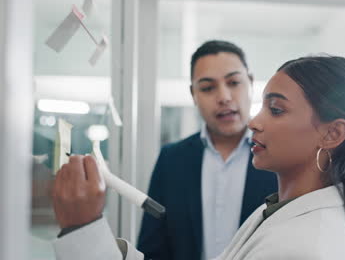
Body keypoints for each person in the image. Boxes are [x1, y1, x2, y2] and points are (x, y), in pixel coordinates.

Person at [52, 55, 345, 260]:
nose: (254, 122)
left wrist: (84, 230)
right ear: (193, 95)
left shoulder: (302, 248)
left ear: (333, 134)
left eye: (276, 110)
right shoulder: (277, 211)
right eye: (207, 87)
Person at [54, 40, 277, 260]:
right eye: (208, 87)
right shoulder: (172, 160)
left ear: (250, 82)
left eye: (234, 82)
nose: (224, 97)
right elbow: (152, 249)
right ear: (193, 94)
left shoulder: (277, 156)